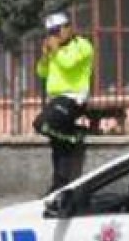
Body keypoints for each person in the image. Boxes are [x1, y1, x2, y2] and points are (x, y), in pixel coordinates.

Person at [34, 12, 94, 193]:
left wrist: (56, 51)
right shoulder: (56, 48)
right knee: (58, 147)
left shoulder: (82, 45)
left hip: (73, 98)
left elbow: (69, 64)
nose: (53, 35)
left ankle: (75, 136)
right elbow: (42, 73)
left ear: (68, 28)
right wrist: (45, 57)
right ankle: (60, 186)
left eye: (56, 30)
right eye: (50, 32)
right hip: (56, 100)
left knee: (40, 124)